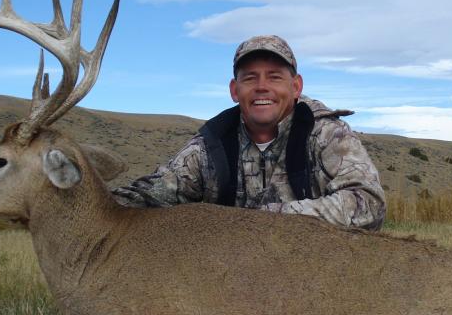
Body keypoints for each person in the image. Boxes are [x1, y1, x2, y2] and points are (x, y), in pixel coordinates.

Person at [112, 35, 386, 231]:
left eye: (274, 76)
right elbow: (149, 195)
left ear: (296, 87)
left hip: (316, 269)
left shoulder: (327, 135)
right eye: (250, 78)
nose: (261, 87)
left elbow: (369, 204)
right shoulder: (211, 146)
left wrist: (267, 218)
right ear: (235, 90)